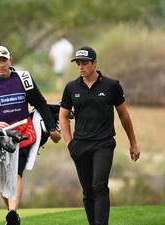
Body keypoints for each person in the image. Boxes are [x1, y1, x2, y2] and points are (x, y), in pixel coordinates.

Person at [0, 45, 62, 225]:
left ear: (10, 61)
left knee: (16, 172)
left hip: (23, 133)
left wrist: (52, 129)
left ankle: (13, 211)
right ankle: (12, 215)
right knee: (3, 177)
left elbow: (40, 103)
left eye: (4, 60)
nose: (1, 64)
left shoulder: (23, 78)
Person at [59, 46, 140, 225]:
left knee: (99, 186)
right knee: (88, 191)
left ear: (95, 63)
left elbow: (124, 115)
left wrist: (133, 143)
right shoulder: (71, 87)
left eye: (85, 63)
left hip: (103, 144)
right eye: (78, 63)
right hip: (79, 145)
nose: (81, 66)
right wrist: (69, 143)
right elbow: (63, 115)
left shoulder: (111, 86)